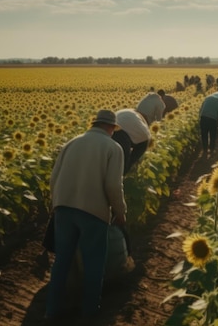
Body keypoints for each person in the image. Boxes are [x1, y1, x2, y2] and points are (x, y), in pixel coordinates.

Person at [46, 109, 127, 320]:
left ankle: (51, 311)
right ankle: (89, 314)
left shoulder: (71, 143)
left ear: (94, 124)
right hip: (92, 212)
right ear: (111, 128)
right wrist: (120, 212)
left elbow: (54, 178)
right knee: (94, 264)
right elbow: (113, 185)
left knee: (61, 261)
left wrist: (56, 205)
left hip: (63, 208)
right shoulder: (113, 147)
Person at [112, 109, 151, 175]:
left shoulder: (127, 111)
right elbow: (135, 155)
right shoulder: (145, 132)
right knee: (124, 166)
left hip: (112, 128)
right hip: (125, 136)